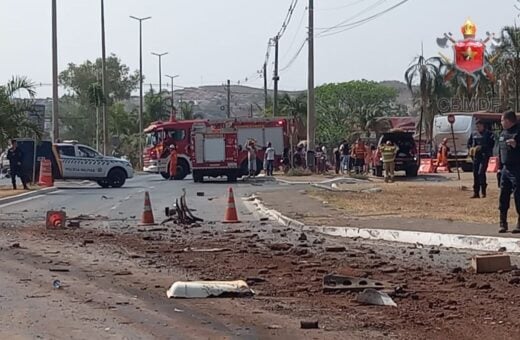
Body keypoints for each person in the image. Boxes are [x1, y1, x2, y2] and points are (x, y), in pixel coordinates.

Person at [498, 111, 520, 233]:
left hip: (517, 168)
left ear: (508, 120)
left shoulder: (518, 132)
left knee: (518, 195)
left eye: (502, 120)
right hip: (505, 168)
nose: (501, 122)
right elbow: (500, 151)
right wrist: (499, 167)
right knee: (503, 195)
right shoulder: (503, 133)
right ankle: (502, 222)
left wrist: (516, 145)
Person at [468, 120, 495, 198]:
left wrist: (482, 148)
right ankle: (476, 193)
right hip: (476, 157)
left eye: (479, 126)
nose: (478, 128)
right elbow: (469, 143)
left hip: (484, 156)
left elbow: (491, 145)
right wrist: (471, 149)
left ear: (483, 126)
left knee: (481, 173)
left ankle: (483, 191)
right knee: (475, 173)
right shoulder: (473, 134)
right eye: (477, 126)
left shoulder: (488, 134)